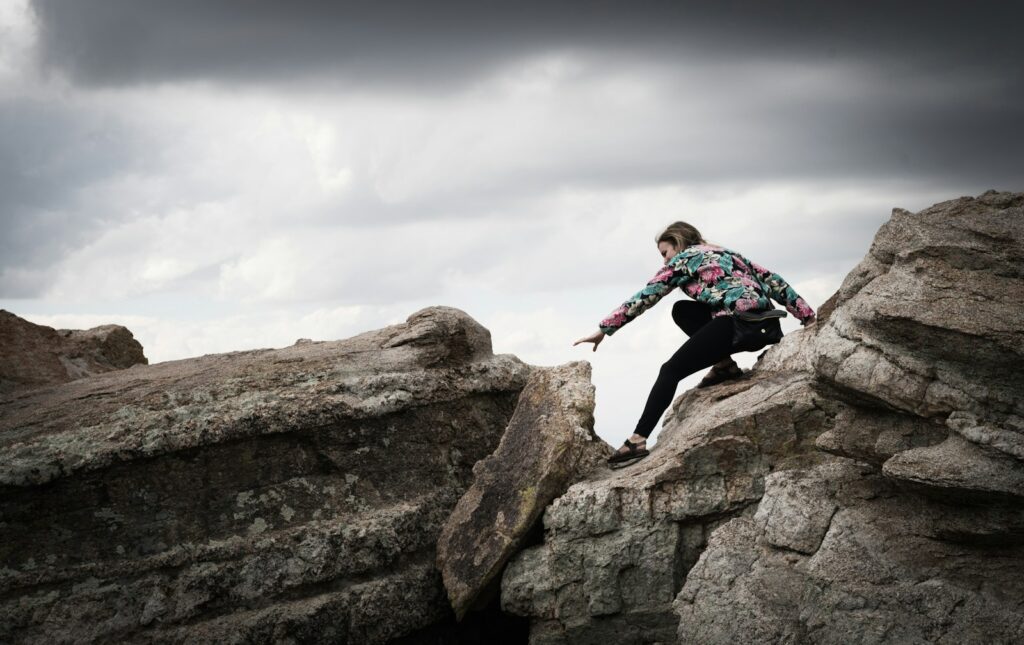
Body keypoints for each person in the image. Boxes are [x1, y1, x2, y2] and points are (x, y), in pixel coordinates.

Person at [573, 221, 816, 466]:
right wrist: (808, 317)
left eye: (665, 253)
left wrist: (604, 329)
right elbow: (775, 282)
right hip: (766, 327)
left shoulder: (684, 259)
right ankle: (724, 367)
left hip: (736, 326)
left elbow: (645, 296)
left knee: (670, 371)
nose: (664, 262)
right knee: (683, 310)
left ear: (678, 244)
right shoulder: (728, 253)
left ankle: (638, 438)